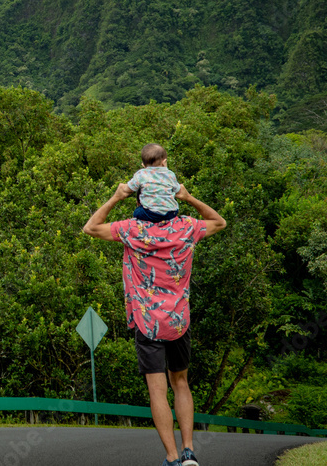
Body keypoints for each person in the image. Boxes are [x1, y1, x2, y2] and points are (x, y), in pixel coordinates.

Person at [82, 181, 226, 466]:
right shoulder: (186, 228)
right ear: (170, 199)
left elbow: (90, 228)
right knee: (181, 383)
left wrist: (115, 196)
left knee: (157, 390)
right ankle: (188, 452)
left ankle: (171, 457)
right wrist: (188, 196)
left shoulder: (131, 230)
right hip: (178, 321)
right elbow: (219, 222)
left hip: (147, 322)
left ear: (141, 200)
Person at [125, 143, 180, 223]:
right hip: (171, 213)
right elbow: (177, 189)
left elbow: (130, 188)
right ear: (164, 162)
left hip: (150, 213)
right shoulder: (170, 174)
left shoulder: (141, 174)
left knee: (137, 212)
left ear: (143, 165)